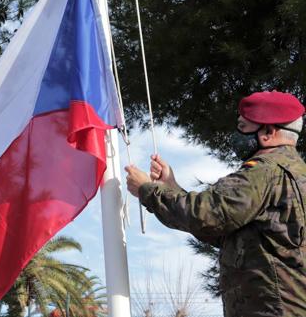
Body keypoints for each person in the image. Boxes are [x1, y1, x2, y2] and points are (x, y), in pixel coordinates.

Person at [125, 91, 306, 317]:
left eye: (243, 126)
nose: (236, 134)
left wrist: (148, 190)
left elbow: (207, 216)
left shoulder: (264, 171)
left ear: (268, 132)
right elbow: (229, 233)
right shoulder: (295, 173)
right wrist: (171, 187)